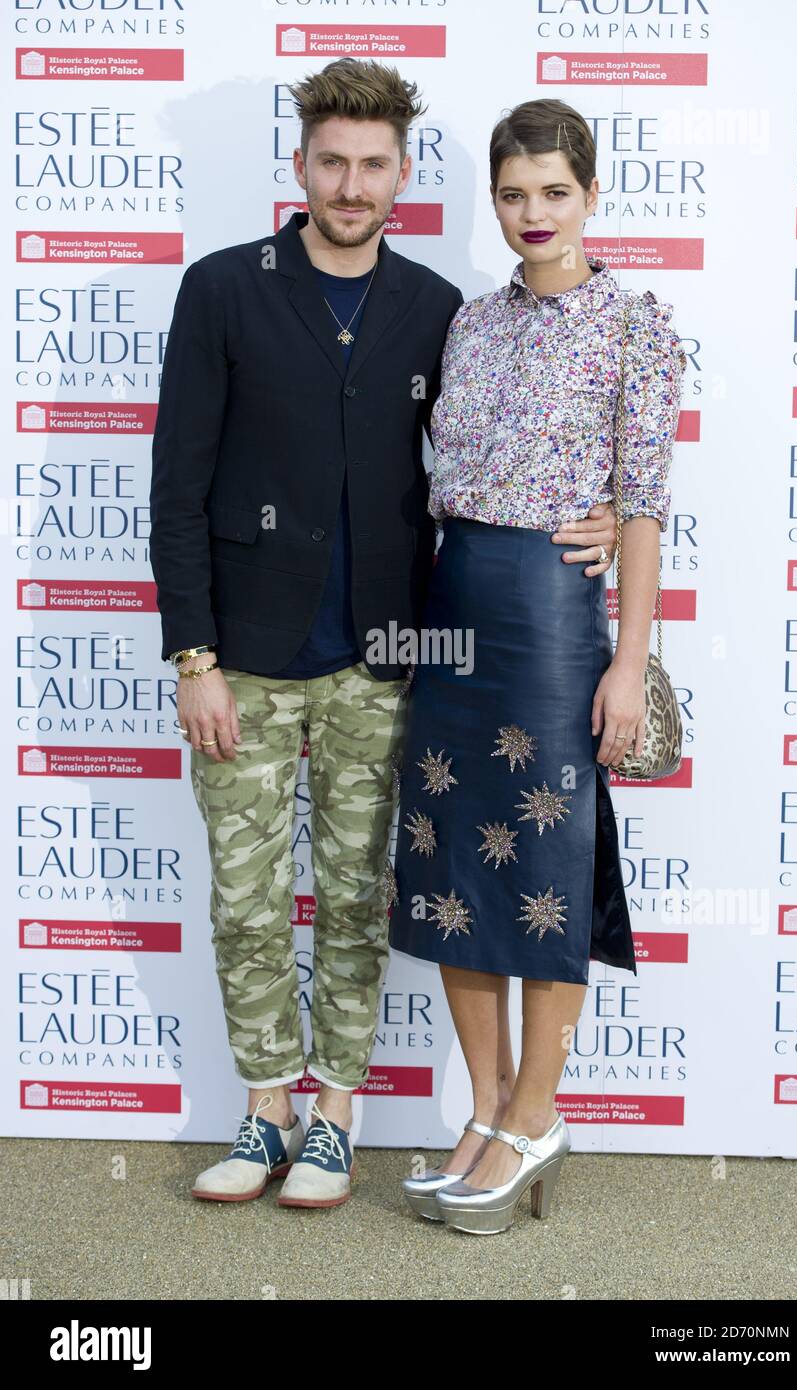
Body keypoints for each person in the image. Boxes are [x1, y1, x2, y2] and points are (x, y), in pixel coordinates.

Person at [149, 60, 618, 1212]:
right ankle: (265, 1107)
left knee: (358, 894)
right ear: (301, 166)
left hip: (388, 658)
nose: (351, 185)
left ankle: (335, 1120)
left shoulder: (437, 307)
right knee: (250, 896)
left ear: (402, 174)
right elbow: (176, 485)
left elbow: (491, 458)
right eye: (331, 162)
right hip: (245, 660)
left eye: (373, 165)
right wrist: (193, 656)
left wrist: (602, 515)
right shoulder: (222, 290)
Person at [389, 98, 687, 1235]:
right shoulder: (469, 323)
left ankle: (536, 1111)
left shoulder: (635, 325)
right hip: (452, 611)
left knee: (550, 870)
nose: (531, 214)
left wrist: (629, 658)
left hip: (556, 626)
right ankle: (482, 1111)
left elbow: (648, 509)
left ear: (592, 195)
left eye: (553, 192)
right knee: (456, 867)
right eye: (513, 194)